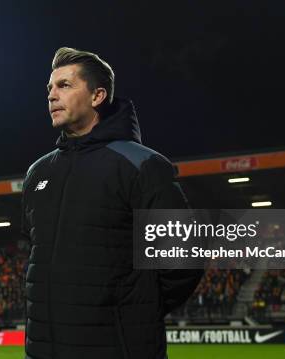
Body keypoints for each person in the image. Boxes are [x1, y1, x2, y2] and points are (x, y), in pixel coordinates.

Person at [21, 47, 203, 359]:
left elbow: (183, 258)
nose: (52, 95)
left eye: (64, 85)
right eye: (49, 88)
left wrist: (131, 310)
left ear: (97, 96)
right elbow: (33, 248)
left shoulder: (142, 164)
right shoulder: (38, 172)